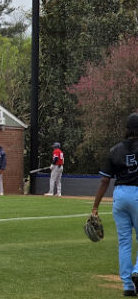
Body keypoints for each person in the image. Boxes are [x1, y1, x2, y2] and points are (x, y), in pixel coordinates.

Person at [92, 113, 138, 296]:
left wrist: (95, 206)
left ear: (126, 129)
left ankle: (127, 286)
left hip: (119, 195)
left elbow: (104, 181)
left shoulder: (115, 150)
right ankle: (137, 272)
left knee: (124, 242)